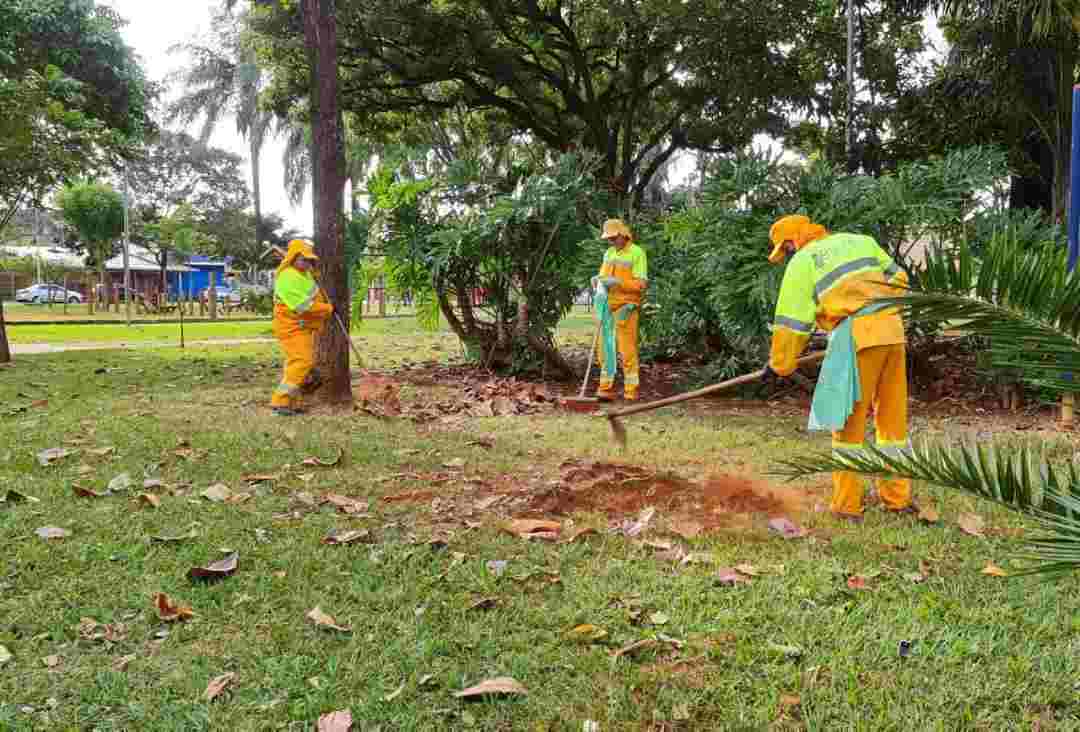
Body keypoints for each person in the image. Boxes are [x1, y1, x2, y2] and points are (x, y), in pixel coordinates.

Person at [764, 214, 914, 521]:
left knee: (848, 422)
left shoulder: (804, 260)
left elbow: (792, 322)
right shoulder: (861, 241)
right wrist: (878, 309)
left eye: (786, 248)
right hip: (892, 332)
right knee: (892, 423)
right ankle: (897, 500)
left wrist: (779, 365)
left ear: (793, 242)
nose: (788, 253)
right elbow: (900, 279)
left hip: (857, 339)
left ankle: (846, 507)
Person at [270, 239, 333, 416]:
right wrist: (327, 309)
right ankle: (279, 402)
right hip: (291, 328)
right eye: (304, 260)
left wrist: (315, 274)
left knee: (297, 363)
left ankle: (293, 403)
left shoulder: (303, 274)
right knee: (302, 362)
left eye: (310, 260)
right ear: (293, 258)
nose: (307, 263)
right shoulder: (287, 277)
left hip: (302, 327)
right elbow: (301, 306)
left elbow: (312, 292)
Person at [592, 218, 648, 401]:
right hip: (607, 304)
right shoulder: (608, 253)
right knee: (604, 348)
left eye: (614, 238)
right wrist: (598, 279)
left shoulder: (637, 253)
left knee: (626, 349)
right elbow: (603, 276)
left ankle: (631, 391)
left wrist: (618, 282)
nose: (611, 241)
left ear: (624, 235)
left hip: (626, 306)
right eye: (608, 239)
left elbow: (641, 284)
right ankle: (605, 388)